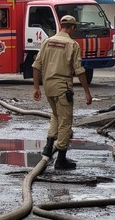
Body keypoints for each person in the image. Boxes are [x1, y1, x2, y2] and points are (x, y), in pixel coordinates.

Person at [32, 15, 92, 170]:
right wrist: (87, 91)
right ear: (71, 27)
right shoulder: (72, 44)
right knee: (65, 121)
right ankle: (61, 159)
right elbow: (79, 70)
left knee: (56, 115)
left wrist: (36, 88)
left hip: (48, 86)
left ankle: (48, 146)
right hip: (63, 86)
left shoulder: (47, 41)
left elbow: (36, 65)